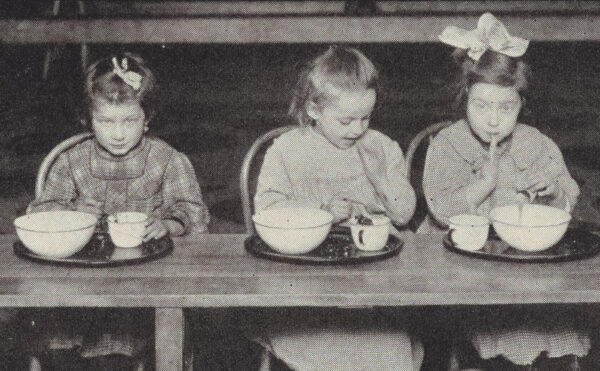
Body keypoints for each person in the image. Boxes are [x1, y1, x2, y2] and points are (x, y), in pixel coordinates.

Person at [423, 13, 590, 369]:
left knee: (556, 332)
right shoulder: (448, 144)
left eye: (506, 107)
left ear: (521, 105)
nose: (493, 119)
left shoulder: (536, 143)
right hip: (466, 274)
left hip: (530, 271)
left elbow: (568, 200)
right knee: (501, 332)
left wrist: (552, 194)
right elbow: (441, 209)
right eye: (481, 106)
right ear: (464, 98)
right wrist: (484, 183)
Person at [26, 52, 209, 369]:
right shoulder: (72, 161)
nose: (118, 133)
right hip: (80, 287)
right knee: (57, 343)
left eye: (129, 120)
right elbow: (41, 213)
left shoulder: (167, 160)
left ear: (147, 117)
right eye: (106, 121)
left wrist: (170, 223)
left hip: (145, 288)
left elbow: (193, 212)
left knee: (124, 347)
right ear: (88, 118)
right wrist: (71, 212)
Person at [251, 45, 422, 370]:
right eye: (345, 120)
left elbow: (403, 215)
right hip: (304, 289)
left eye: (366, 117)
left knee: (388, 344)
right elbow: (268, 211)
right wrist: (321, 211)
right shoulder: (287, 150)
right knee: (341, 348)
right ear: (314, 110)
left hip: (374, 290)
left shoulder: (381, 147)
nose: (357, 129)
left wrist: (379, 176)